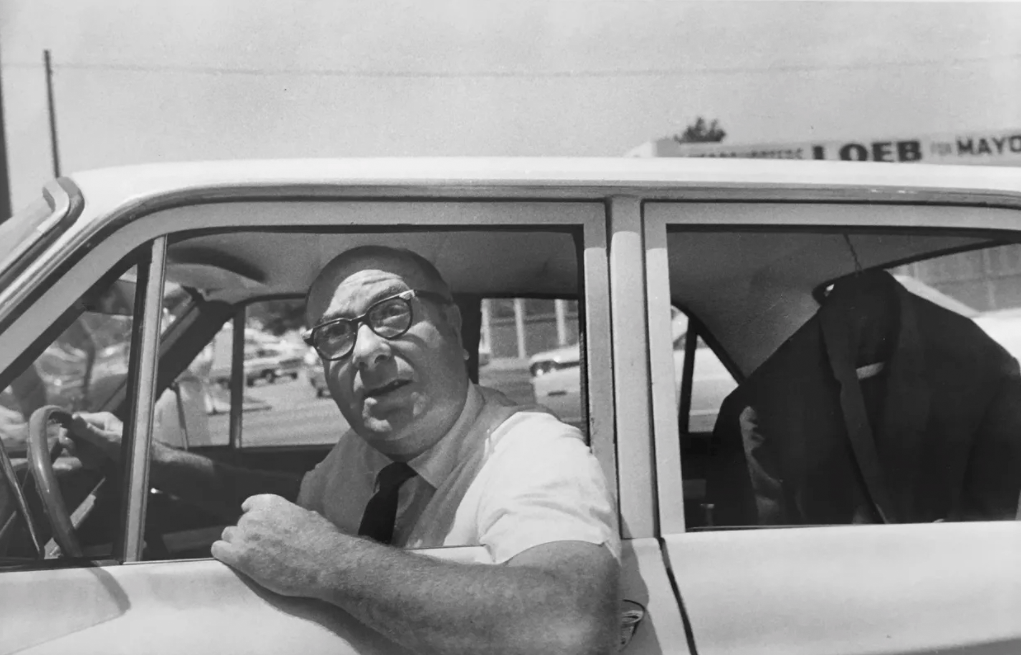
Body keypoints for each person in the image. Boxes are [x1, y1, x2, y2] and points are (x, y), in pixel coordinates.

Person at [63, 245, 620, 655]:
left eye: (391, 313)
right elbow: (296, 504)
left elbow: (570, 625)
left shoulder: (530, 448)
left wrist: (327, 564)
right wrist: (149, 460)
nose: (368, 350)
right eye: (336, 334)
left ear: (452, 327)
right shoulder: (364, 452)